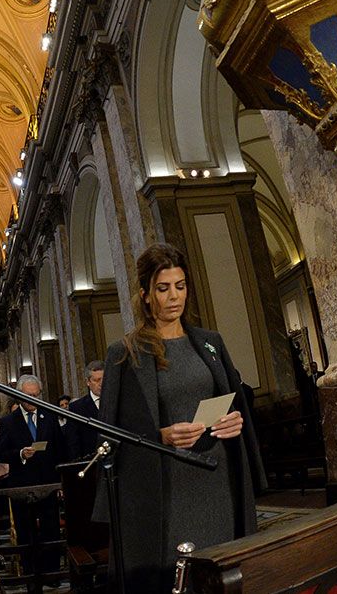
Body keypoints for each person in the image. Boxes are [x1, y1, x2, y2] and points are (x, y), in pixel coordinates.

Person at [95, 243, 264, 591]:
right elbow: (110, 437)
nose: (174, 296)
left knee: (221, 574)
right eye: (163, 288)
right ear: (145, 295)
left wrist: (235, 420)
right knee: (176, 580)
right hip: (165, 488)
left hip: (218, 480)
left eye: (180, 286)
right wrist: (161, 436)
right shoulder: (124, 354)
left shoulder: (210, 342)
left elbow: (232, 402)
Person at [0, 374, 65, 582]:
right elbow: (0, 453)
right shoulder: (8, 422)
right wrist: (20, 454)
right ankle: (30, 574)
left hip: (48, 483)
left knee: (50, 529)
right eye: (28, 396)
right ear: (18, 395)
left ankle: (52, 574)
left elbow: (60, 450)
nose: (33, 400)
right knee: (26, 532)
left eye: (36, 396)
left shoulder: (49, 417)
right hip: (21, 485)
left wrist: (61, 481)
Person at [67, 360, 104, 460]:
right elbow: (73, 442)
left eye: (103, 380)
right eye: (96, 380)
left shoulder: (118, 401)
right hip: (91, 463)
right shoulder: (76, 408)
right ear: (88, 382)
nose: (101, 384)